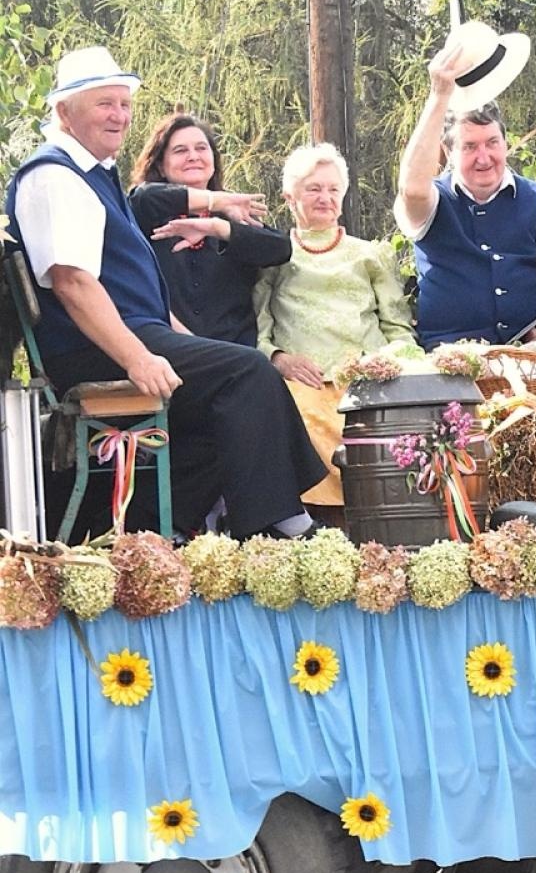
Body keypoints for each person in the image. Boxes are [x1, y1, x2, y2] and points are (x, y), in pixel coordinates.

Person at [4, 47, 324, 538]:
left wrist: (188, 341)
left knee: (229, 389)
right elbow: (72, 284)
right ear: (64, 111)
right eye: (104, 104)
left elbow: (139, 291)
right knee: (245, 372)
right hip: (93, 350)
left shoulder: (95, 175)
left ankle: (158, 531)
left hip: (132, 334)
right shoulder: (53, 176)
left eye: (124, 103)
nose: (120, 115)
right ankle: (280, 524)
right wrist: (137, 358)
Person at [255, 144, 416, 510]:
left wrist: (391, 365)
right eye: (313, 189)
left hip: (367, 378)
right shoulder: (273, 256)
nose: (325, 198)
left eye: (333, 189)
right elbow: (258, 328)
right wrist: (278, 359)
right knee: (298, 417)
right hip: (304, 380)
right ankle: (318, 523)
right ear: (290, 197)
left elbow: (398, 328)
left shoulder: (369, 255)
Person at [396, 22, 536, 347]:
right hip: (447, 360)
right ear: (448, 152)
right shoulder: (432, 201)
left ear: (506, 143)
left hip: (525, 358)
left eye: (492, 143)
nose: (484, 157)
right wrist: (439, 95)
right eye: (470, 146)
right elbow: (412, 189)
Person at [128, 112, 291, 346]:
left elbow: (280, 248)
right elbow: (142, 195)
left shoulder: (233, 215)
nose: (193, 156)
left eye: (201, 148)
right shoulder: (146, 212)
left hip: (236, 355)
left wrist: (219, 227)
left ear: (213, 161)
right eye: (180, 150)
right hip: (168, 351)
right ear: (161, 167)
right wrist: (215, 200)